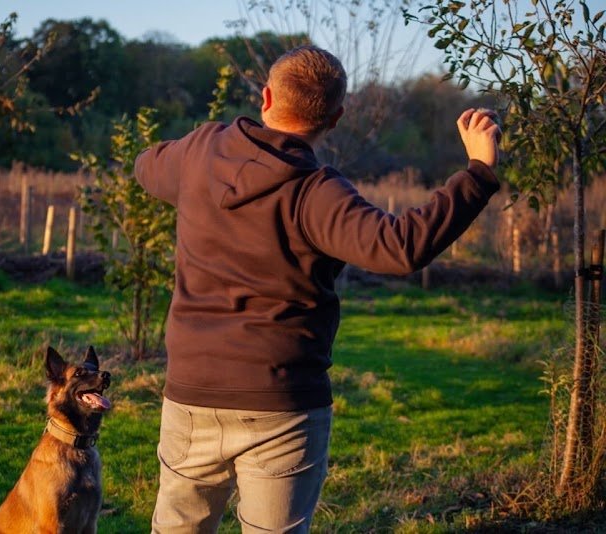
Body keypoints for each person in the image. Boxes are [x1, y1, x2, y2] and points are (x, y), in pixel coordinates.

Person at [134, 45, 501, 533]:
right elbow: (401, 247)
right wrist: (478, 173)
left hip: (190, 396)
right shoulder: (318, 193)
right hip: (282, 406)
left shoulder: (202, 149)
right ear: (336, 118)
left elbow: (145, 166)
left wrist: (199, 154)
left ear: (265, 97)